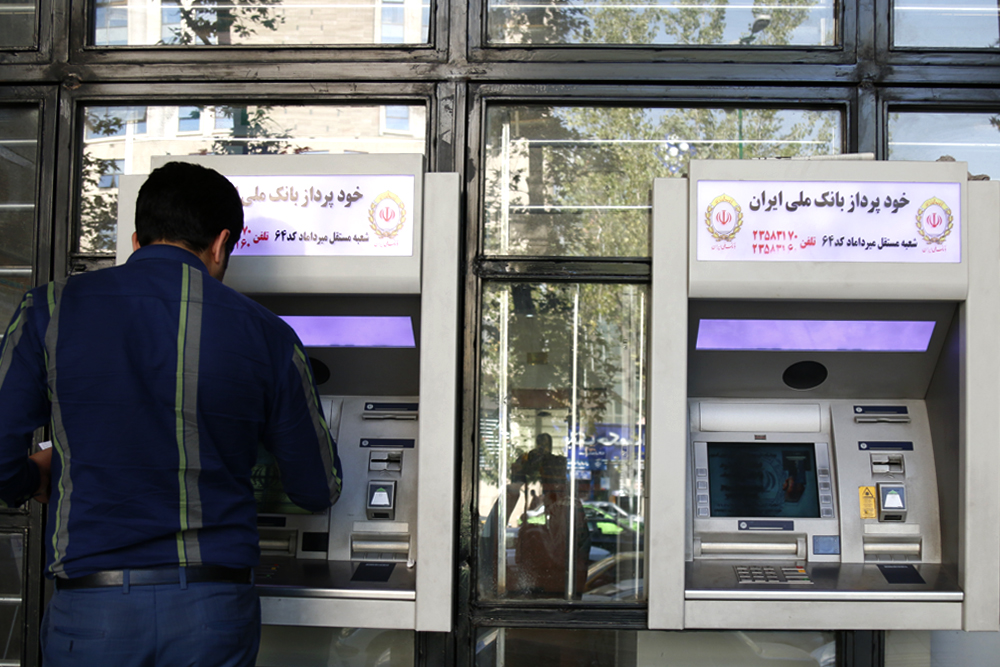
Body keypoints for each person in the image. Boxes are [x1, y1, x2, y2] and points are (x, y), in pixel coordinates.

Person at [0, 161, 342, 666]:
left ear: (136, 239)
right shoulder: (269, 334)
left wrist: (34, 476)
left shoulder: (49, 308)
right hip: (213, 610)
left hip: (92, 610)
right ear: (221, 244)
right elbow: (318, 488)